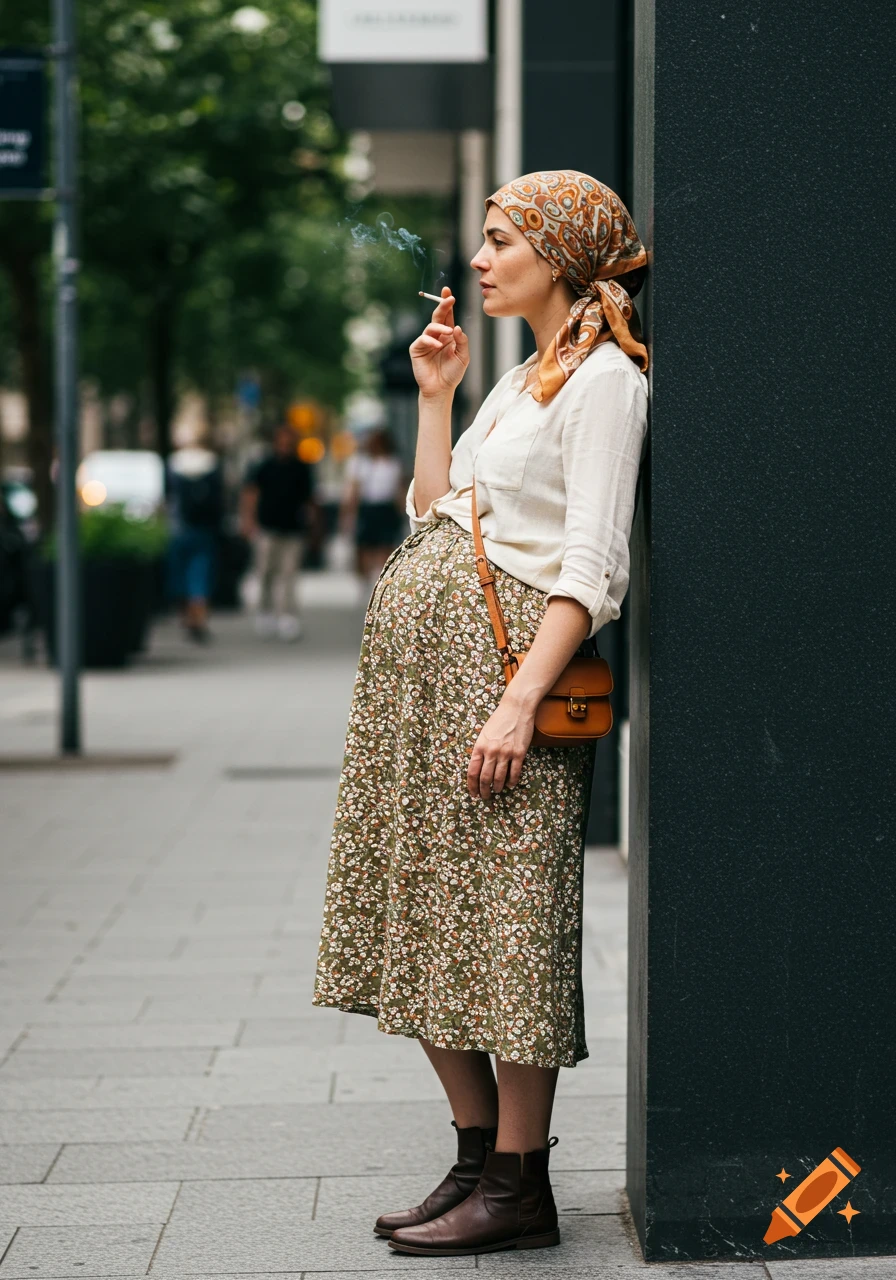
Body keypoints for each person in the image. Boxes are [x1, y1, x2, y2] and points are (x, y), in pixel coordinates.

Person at [312, 171, 649, 1256]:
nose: (480, 259)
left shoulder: (604, 382)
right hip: (425, 689)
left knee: (508, 927)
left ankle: (519, 1185)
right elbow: (432, 511)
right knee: (417, 912)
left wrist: (515, 704)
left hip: (501, 686)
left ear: (556, 252)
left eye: (501, 240)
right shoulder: (517, 379)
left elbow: (592, 567)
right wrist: (436, 396)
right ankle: (472, 1159)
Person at [240, 424, 315, 641]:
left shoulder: (301, 468)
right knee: (265, 571)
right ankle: (265, 611)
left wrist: (312, 525)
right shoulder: (264, 466)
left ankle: (287, 616)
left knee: (288, 574)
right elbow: (250, 493)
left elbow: (310, 500)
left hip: (293, 529)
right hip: (267, 527)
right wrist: (248, 520)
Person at [166, 434, 224, 643]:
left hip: (178, 529)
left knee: (180, 575)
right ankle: (199, 618)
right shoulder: (212, 465)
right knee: (200, 575)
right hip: (204, 530)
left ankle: (187, 617)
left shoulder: (173, 464)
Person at [338, 428, 407, 594]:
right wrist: (348, 514)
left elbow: (398, 489)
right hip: (367, 507)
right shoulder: (360, 463)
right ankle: (364, 579)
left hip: (386, 508)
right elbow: (354, 490)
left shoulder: (393, 463)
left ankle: (382, 577)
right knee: (363, 545)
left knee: (386, 543)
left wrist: (402, 511)